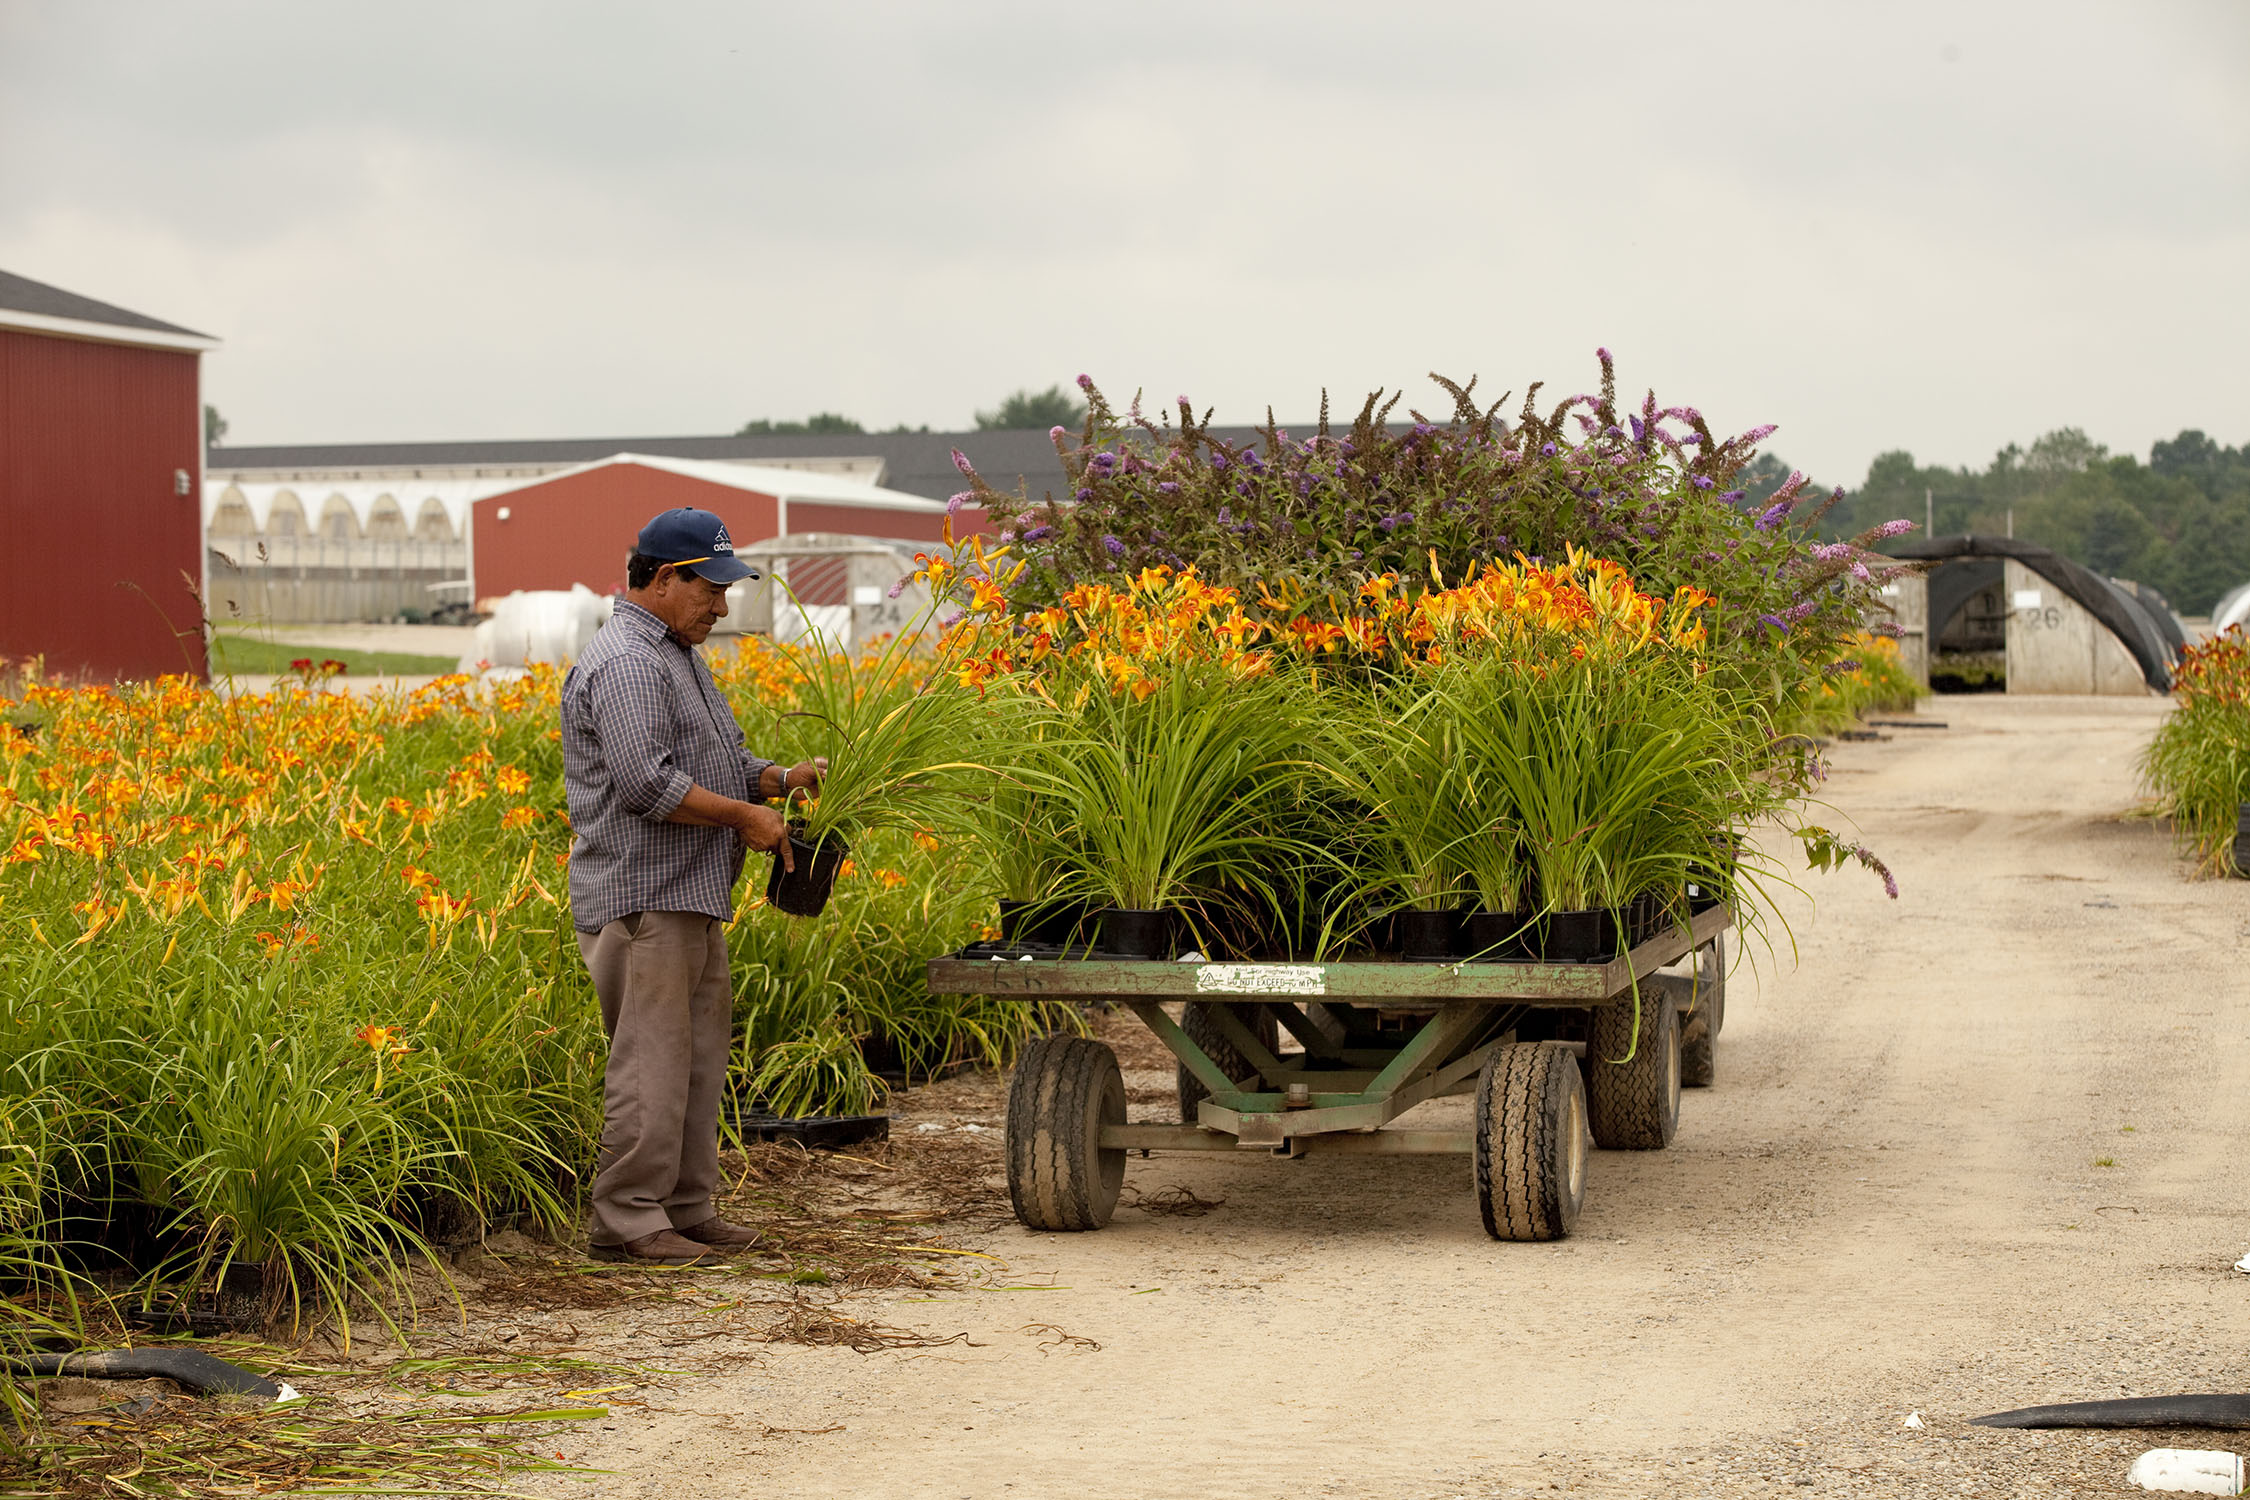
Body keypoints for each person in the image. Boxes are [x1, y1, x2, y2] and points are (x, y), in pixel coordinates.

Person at [560, 507, 825, 1265]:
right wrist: (746, 818)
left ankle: (684, 1205)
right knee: (650, 1064)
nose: (721, 604)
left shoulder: (676, 655)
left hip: (690, 893)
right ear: (667, 579)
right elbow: (646, 784)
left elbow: (723, 763)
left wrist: (778, 781)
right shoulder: (628, 663)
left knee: (697, 1063)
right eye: (710, 588)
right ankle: (628, 1218)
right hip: (644, 899)